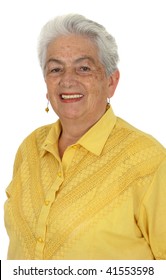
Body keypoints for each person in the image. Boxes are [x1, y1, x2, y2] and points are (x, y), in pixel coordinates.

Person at [4, 14, 166, 260]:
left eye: (84, 68)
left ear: (111, 82)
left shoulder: (149, 161)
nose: (67, 80)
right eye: (56, 69)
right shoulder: (30, 148)